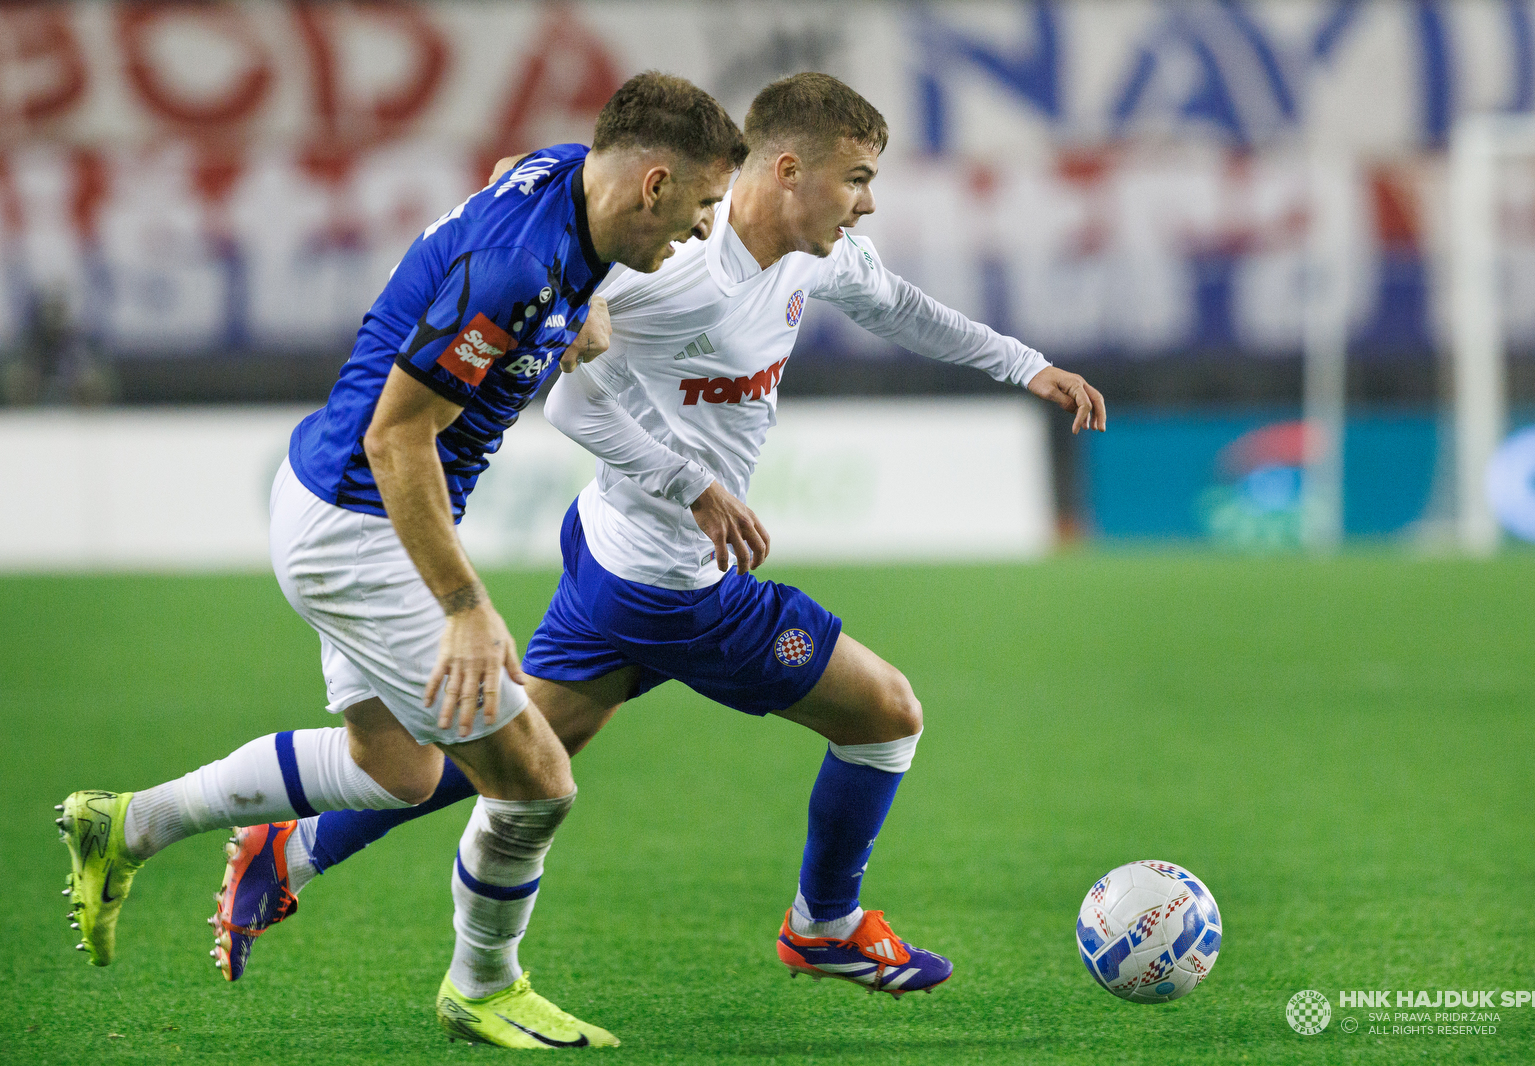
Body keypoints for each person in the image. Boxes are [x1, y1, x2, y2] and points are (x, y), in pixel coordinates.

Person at [220, 73, 1106, 999]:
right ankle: (826, 927)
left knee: (509, 750)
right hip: (672, 582)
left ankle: (292, 854)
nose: (868, 200)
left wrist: (1027, 366)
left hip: (610, 553)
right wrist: (692, 485)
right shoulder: (671, 256)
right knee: (886, 715)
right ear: (788, 170)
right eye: (856, 177)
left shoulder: (817, 254)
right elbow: (567, 394)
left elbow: (904, 308)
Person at [55, 71, 747, 1051]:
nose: (704, 231)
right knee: (537, 779)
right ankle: (483, 987)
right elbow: (397, 439)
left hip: (326, 496)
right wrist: (464, 603)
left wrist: (579, 317)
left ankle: (130, 824)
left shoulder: (562, 181)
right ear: (654, 183)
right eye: (703, 207)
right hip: (358, 520)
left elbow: (513, 171)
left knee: (399, 768)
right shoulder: (517, 274)